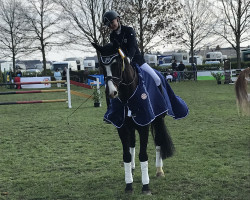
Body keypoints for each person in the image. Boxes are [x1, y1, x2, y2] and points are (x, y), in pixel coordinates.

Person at [103, 10, 162, 91]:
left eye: (112, 22)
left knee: (157, 79)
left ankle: (162, 100)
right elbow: (115, 50)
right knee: (109, 85)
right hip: (123, 63)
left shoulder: (128, 30)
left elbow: (133, 47)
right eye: (108, 25)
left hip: (137, 61)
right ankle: (111, 103)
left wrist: (129, 58)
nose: (111, 25)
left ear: (117, 19)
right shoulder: (112, 36)